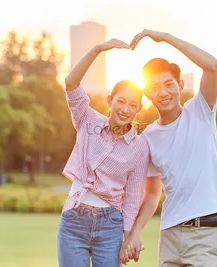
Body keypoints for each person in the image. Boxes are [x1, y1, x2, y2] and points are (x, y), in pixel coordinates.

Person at [119, 29, 217, 267]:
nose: (162, 92)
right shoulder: (148, 137)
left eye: (168, 84)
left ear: (180, 85)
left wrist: (166, 38)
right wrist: (135, 232)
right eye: (154, 87)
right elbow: (152, 194)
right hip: (170, 234)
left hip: (206, 231)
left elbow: (212, 65)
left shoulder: (200, 111)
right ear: (147, 93)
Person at [57, 38, 150, 267]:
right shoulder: (87, 120)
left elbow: (133, 198)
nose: (125, 109)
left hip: (110, 226)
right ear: (110, 100)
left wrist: (128, 237)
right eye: (121, 101)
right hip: (73, 221)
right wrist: (98, 49)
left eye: (133, 105)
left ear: (139, 109)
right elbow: (70, 82)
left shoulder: (139, 148)